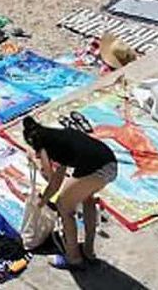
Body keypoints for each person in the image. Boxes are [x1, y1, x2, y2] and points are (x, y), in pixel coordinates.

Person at [22, 116, 117, 271]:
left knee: (63, 206)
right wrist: (43, 201)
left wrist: (36, 161)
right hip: (110, 164)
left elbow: (51, 179)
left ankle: (73, 258)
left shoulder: (47, 147)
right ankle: (88, 251)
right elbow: (57, 181)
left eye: (38, 152)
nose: (38, 155)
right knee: (87, 198)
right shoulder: (60, 138)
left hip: (96, 170)